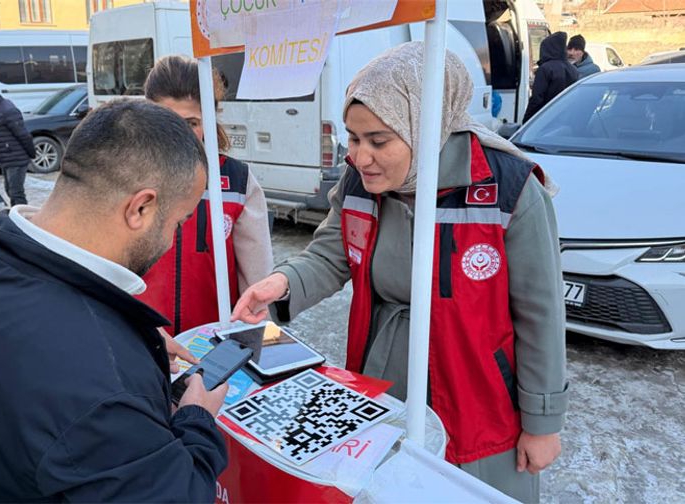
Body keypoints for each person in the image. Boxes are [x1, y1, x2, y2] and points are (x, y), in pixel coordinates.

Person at [232, 43, 568, 503]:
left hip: (478, 392)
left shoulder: (506, 189)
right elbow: (331, 254)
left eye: (378, 140)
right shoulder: (361, 184)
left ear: (426, 127)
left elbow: (541, 313)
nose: (360, 157)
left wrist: (542, 423)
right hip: (384, 376)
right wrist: (282, 282)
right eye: (352, 138)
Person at [0, 99, 229, 502]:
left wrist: (126, 338)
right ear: (141, 207)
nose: (173, 239)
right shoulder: (104, 389)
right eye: (179, 221)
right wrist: (197, 420)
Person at [139, 55, 273, 335]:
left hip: (212, 342)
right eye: (166, 120)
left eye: (191, 123)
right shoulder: (124, 175)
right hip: (140, 339)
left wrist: (253, 335)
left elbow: (257, 281)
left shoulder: (237, 181)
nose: (177, 134)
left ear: (210, 120)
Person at [523, 32, 578, 122]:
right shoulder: (573, 69)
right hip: (567, 119)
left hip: (546, 119)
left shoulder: (545, 69)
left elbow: (537, 99)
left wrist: (526, 121)